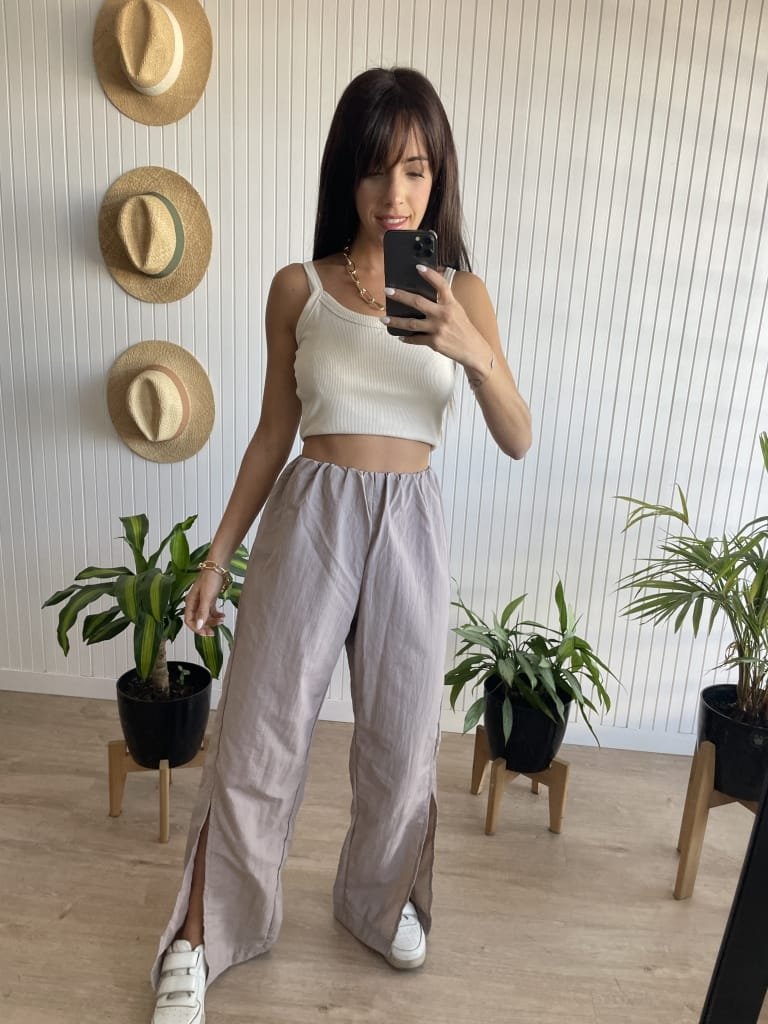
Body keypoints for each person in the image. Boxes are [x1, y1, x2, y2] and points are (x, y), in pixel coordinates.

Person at [149, 66, 532, 1024]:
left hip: (411, 524)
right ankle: (203, 933)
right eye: (374, 169)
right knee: (258, 735)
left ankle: (378, 900)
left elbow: (519, 436)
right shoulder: (300, 288)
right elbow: (271, 434)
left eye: (415, 170)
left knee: (402, 741)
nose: (394, 194)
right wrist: (216, 556)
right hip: (312, 513)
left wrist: (471, 348)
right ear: (345, 175)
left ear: (438, 175)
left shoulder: (464, 293)